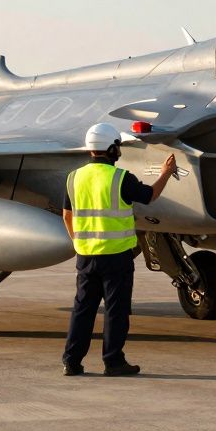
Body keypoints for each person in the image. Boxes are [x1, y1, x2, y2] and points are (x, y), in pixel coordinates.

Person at [61, 122, 177, 377]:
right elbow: (150, 195)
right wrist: (167, 172)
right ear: (112, 149)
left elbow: (67, 215)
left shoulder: (74, 178)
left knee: (83, 309)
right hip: (116, 257)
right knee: (116, 311)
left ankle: (72, 361)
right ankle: (113, 362)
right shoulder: (120, 178)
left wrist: (78, 242)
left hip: (86, 256)